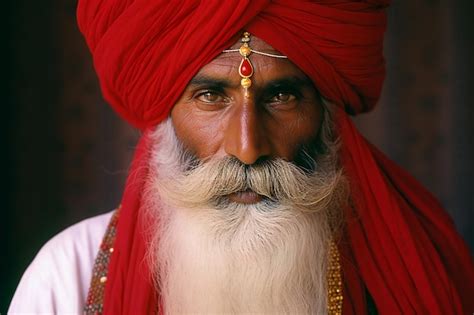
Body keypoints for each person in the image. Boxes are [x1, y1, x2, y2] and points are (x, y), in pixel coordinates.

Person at [9, 1, 474, 314]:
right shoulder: (71, 274)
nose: (248, 147)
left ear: (327, 117)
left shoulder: (415, 265)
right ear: (163, 120)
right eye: (211, 95)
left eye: (282, 97)